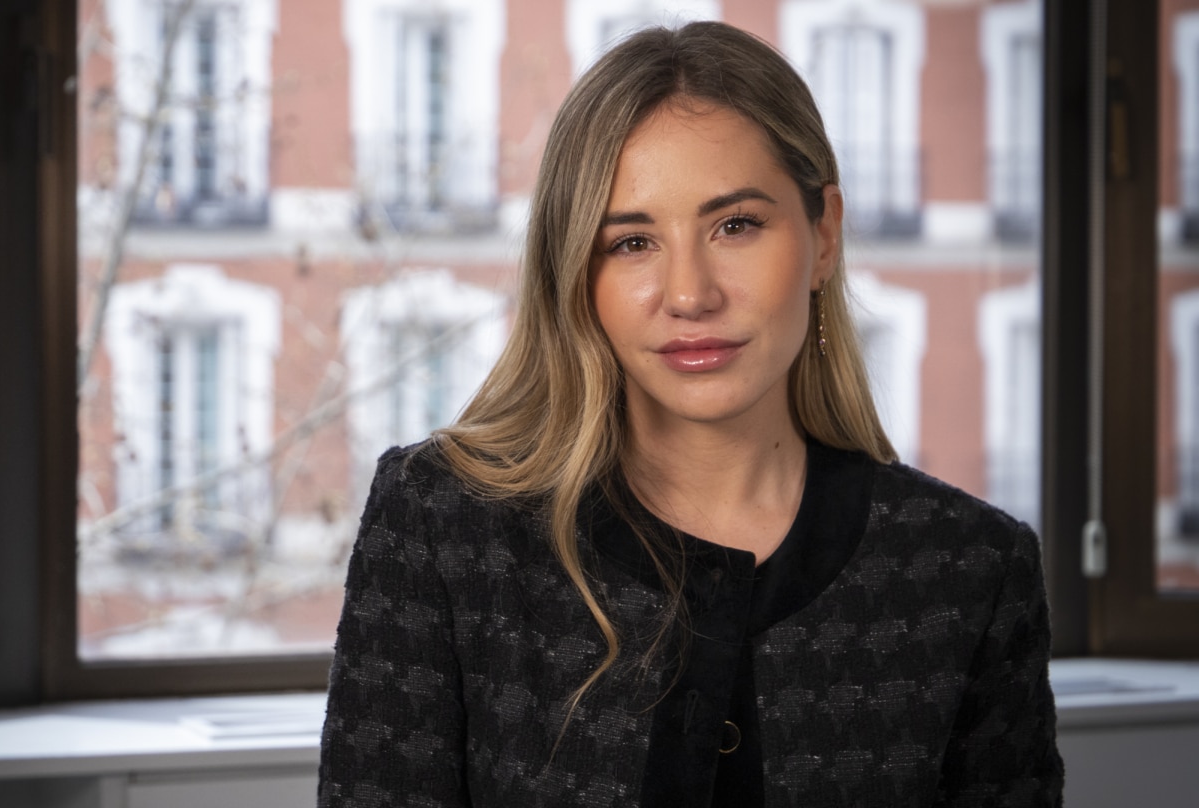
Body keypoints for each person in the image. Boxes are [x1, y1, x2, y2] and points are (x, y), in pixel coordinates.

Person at [318, 21, 1063, 808]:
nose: (689, 294)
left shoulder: (970, 571)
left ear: (824, 235)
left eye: (735, 225)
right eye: (632, 242)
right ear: (577, 273)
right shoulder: (442, 525)